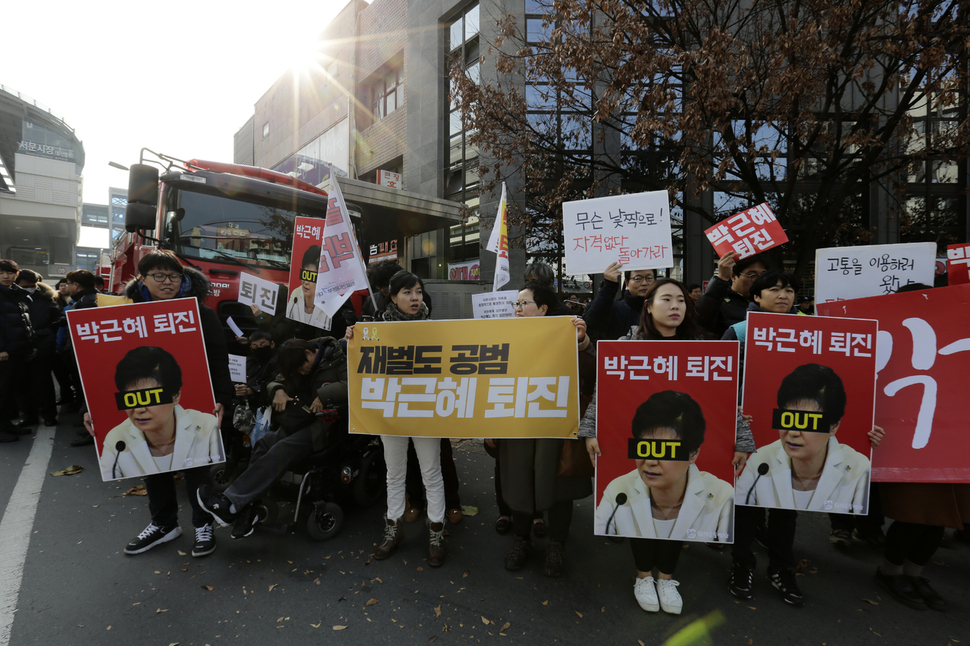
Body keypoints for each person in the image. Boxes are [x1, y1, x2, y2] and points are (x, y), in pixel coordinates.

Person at [582, 278, 752, 615]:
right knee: (640, 506)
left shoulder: (704, 347)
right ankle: (643, 576)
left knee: (675, 507)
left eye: (680, 300)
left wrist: (743, 438)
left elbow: (723, 400)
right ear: (648, 305)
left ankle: (666, 577)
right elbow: (605, 392)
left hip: (679, 449)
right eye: (666, 299)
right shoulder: (627, 344)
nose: (675, 306)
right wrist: (590, 430)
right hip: (639, 446)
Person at [83, 249, 233, 557]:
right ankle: (164, 523)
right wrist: (92, 407)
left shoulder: (200, 314)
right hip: (146, 405)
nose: (168, 282)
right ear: (143, 278)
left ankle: (203, 524)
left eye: (174, 275)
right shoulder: (121, 316)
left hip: (191, 400)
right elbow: (97, 366)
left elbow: (218, 360)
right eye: (159, 276)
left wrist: (222, 399)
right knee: (152, 464)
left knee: (197, 465)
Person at [489, 281, 593, 577]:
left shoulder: (568, 333)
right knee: (519, 479)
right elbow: (488, 381)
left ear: (544, 309)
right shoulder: (504, 337)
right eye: (517, 304)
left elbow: (591, 373)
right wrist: (489, 424)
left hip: (556, 427)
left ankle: (557, 544)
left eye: (524, 303)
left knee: (558, 485)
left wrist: (582, 343)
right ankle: (522, 540)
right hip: (517, 424)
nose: (518, 309)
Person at [198, 336, 347, 539]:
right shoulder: (297, 362)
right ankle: (247, 509)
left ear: (309, 353)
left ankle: (230, 503)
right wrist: (277, 390)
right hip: (300, 419)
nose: (302, 372)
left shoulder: (339, 358)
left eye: (302, 368)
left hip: (325, 425)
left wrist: (324, 394)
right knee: (264, 442)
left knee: (281, 448)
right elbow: (277, 380)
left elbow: (353, 385)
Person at [346, 270, 448, 566]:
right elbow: (359, 365)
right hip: (390, 411)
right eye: (407, 292)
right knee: (394, 473)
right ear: (392, 297)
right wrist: (351, 340)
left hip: (426, 410)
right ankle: (393, 531)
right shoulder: (374, 331)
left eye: (418, 291)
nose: (415, 297)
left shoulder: (436, 329)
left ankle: (436, 534)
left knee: (431, 472)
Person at [594, 391, 734, 542]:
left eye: (665, 450)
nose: (650, 461)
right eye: (643, 448)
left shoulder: (722, 497)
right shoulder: (618, 491)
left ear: (693, 453)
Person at [736, 364, 871, 514]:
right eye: (787, 419)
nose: (793, 432)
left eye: (807, 422)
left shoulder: (859, 468)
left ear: (833, 426)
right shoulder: (761, 460)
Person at [100, 347, 223, 480]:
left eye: (150, 398)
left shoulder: (208, 426)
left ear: (175, 396)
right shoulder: (116, 439)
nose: (139, 409)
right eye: (130, 399)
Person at [15, 274, 63, 427]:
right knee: (22, 384)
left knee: (43, 382)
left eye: (32, 285)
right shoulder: (11, 298)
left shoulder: (46, 299)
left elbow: (58, 319)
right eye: (25, 286)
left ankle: (49, 415)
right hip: (20, 346)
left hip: (43, 344)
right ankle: (29, 415)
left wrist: (48, 338)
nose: (29, 288)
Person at [0, 259, 35, 443]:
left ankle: (7, 425)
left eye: (10, 273)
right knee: (2, 391)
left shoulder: (16, 294)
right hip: (4, 353)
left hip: (18, 350)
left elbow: (24, 322)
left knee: (11, 391)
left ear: (17, 274)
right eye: (1, 273)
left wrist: (30, 345)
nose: (6, 276)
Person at [694, 252, 767, 337]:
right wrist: (721, 278)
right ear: (733, 276)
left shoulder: (768, 302)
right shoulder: (719, 300)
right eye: (752, 275)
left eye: (763, 274)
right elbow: (701, 319)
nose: (759, 280)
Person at [583, 263, 655, 341]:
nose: (644, 283)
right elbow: (593, 323)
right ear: (627, 283)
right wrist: (609, 285)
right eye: (637, 279)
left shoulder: (663, 310)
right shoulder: (615, 309)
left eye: (649, 278)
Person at [285, 245, 335, 329]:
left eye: (311, 277)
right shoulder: (296, 294)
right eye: (304, 275)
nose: (305, 282)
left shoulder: (330, 302)